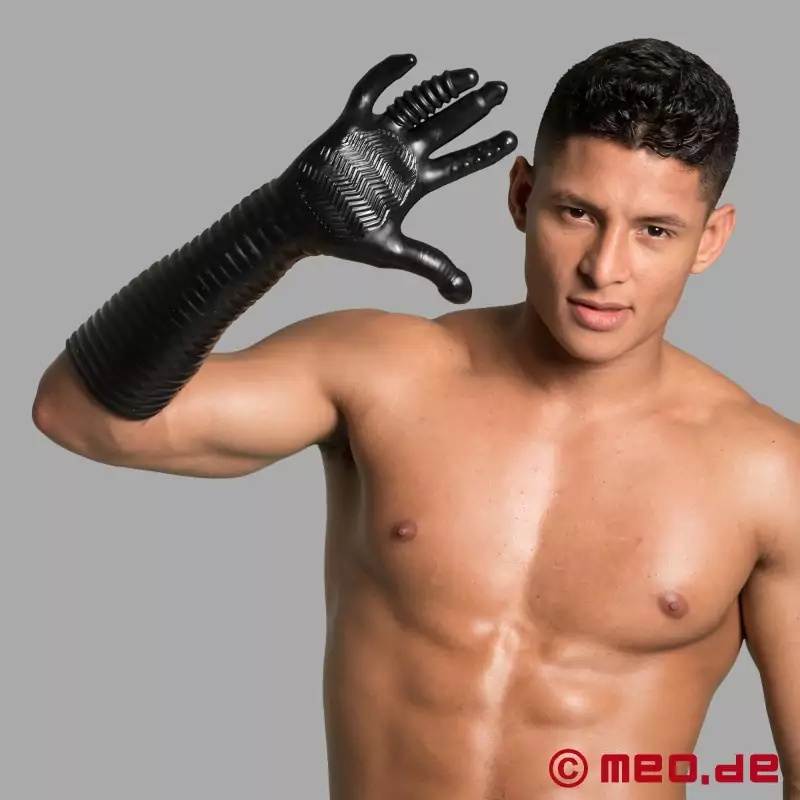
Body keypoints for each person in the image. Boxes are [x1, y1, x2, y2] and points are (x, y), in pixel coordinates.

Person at [31, 38, 800, 799]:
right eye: (577, 213)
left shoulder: (767, 475)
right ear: (522, 196)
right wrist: (273, 228)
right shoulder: (386, 375)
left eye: (654, 230)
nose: (605, 268)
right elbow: (79, 413)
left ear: (710, 239)